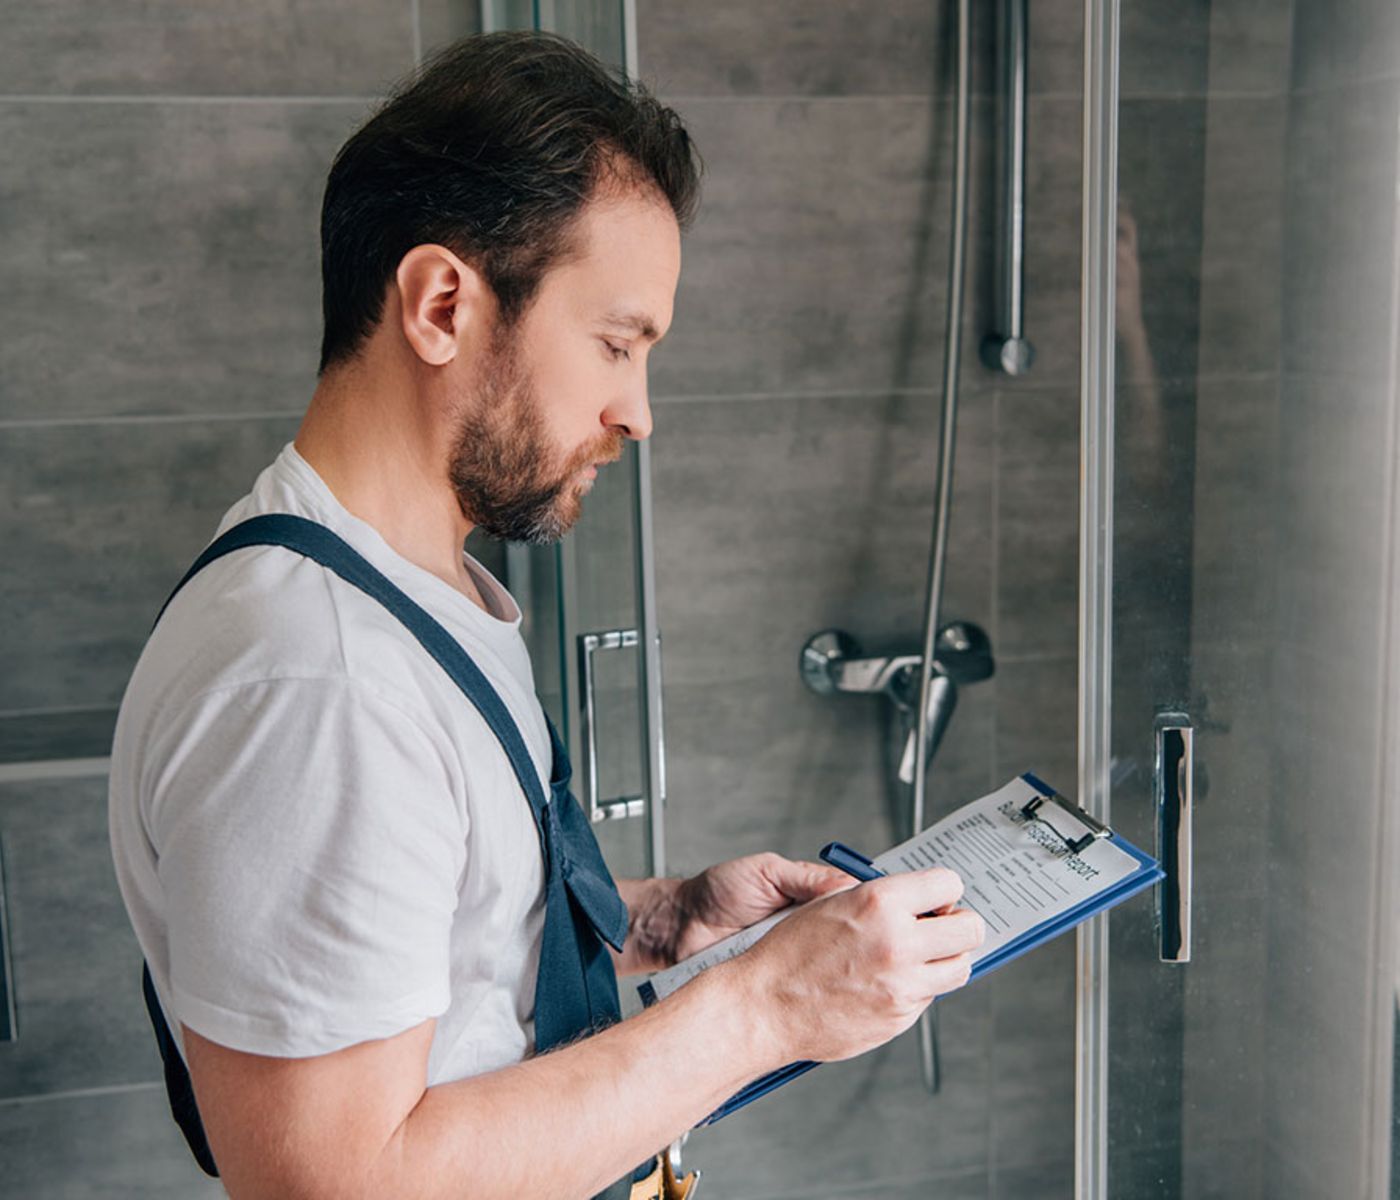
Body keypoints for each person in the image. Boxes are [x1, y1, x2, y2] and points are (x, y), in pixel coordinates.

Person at [108, 30, 983, 1200]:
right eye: (616, 343)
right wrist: (767, 1007)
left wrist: (656, 922)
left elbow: (423, 937)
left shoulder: (400, 592)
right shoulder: (320, 679)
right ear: (439, 305)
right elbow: (332, 1185)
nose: (636, 412)